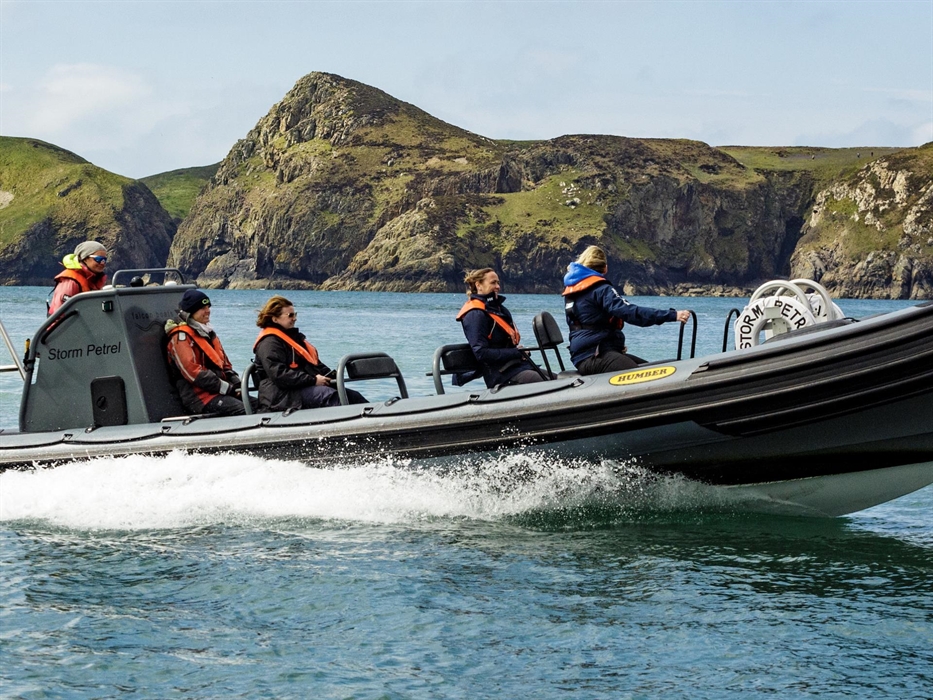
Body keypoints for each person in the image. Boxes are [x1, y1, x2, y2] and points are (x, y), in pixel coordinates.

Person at [562, 246, 691, 375]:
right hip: (595, 356)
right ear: (605, 268)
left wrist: (613, 344)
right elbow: (630, 312)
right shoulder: (601, 289)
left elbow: (588, 326)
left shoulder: (573, 292)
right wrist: (672, 315)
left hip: (585, 356)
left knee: (652, 369)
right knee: (645, 376)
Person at [253, 295, 367, 412]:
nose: (294, 318)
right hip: (281, 396)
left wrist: (331, 377)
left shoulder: (295, 341)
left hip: (301, 388)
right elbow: (279, 375)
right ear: (275, 319)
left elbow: (315, 366)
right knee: (329, 396)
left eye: (295, 314)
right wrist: (313, 380)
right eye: (290, 315)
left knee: (353, 396)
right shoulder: (269, 343)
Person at [456, 268, 546, 388]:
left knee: (561, 379)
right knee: (551, 383)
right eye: (493, 283)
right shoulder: (475, 314)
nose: (498, 286)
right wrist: (517, 353)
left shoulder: (500, 310)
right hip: (501, 376)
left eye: (498, 283)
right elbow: (481, 353)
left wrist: (520, 353)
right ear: (478, 285)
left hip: (518, 367)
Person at [165, 289, 246, 416]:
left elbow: (225, 366)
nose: (208, 311)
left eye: (208, 307)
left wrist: (237, 384)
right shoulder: (181, 337)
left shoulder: (208, 334)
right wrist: (227, 388)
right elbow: (193, 373)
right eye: (203, 308)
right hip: (199, 398)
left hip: (218, 392)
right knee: (243, 410)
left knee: (258, 404)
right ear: (191, 311)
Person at [47, 241, 108, 315]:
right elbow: (59, 314)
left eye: (104, 260)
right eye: (99, 259)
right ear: (85, 258)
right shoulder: (71, 281)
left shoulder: (93, 280)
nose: (102, 263)